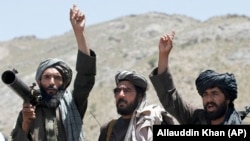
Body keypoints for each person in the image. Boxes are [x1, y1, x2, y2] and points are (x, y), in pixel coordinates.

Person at [10, 4, 96, 141]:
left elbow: (86, 76)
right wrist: (26, 124)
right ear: (39, 81)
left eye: (57, 78)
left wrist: (79, 33)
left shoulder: (74, 104)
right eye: (47, 77)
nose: (51, 82)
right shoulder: (28, 111)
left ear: (64, 83)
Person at [149, 31, 243, 125]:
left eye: (215, 93)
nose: (209, 99)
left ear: (228, 99)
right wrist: (163, 55)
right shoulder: (195, 118)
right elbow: (169, 97)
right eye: (205, 94)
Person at [98, 70, 174, 141]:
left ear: (140, 97)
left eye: (127, 90)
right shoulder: (108, 129)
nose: (120, 95)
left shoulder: (154, 121)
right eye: (118, 91)